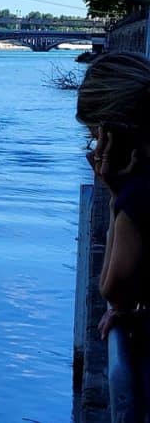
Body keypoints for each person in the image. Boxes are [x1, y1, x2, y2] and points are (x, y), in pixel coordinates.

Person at [77, 51, 150, 421]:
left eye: (93, 137)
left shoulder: (141, 194)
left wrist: (115, 194)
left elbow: (113, 290)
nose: (93, 151)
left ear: (111, 133)